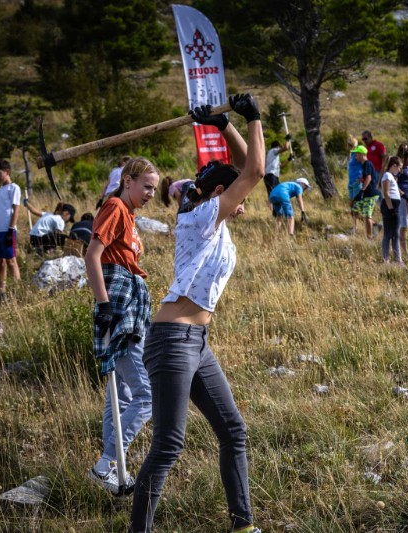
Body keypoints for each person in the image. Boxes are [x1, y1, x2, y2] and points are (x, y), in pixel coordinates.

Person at [129, 94, 264, 533]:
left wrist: (223, 125)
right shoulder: (202, 216)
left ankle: (242, 525)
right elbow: (255, 171)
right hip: (172, 341)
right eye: (237, 190)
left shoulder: (210, 215)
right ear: (222, 193)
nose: (247, 197)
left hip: (196, 343)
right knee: (168, 444)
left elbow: (247, 171)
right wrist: (255, 117)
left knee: (233, 431)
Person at [84, 156, 158, 496]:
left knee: (123, 392)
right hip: (118, 304)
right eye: (146, 186)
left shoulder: (128, 215)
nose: (151, 194)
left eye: (154, 189)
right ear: (127, 180)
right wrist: (104, 307)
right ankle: (106, 463)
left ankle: (112, 468)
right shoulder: (115, 206)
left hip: (128, 302)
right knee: (146, 394)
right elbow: (92, 255)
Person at [0, 159, 21, 301]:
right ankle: (1, 294)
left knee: (11, 261)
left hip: (7, 230)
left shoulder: (14, 188)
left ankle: (19, 291)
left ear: (7, 172)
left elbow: (16, 210)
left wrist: (11, 229)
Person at [351, 145, 380, 240]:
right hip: (366, 194)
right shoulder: (364, 165)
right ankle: (375, 225)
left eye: (357, 154)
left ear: (362, 154)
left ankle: (369, 238)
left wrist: (362, 190)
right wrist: (361, 179)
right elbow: (367, 177)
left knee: (367, 216)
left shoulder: (367, 163)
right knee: (354, 210)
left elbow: (369, 177)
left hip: (370, 194)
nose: (356, 156)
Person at [380, 157, 403, 265]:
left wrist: (404, 195)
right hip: (390, 207)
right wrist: (391, 209)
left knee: (396, 234)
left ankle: (398, 259)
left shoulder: (392, 177)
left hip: (394, 207)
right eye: (399, 167)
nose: (400, 170)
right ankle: (386, 259)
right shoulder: (387, 175)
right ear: (394, 165)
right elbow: (386, 193)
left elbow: (395, 190)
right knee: (388, 234)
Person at [396, 144, 408, 258]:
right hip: (402, 199)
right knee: (404, 226)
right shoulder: (398, 168)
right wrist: (402, 194)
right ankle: (404, 252)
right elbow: (394, 183)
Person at [347, 137, 363, 233]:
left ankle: (371, 223)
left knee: (356, 208)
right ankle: (354, 226)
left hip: (357, 182)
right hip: (351, 182)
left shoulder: (358, 153)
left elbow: (365, 164)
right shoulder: (352, 154)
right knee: (352, 206)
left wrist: (362, 177)